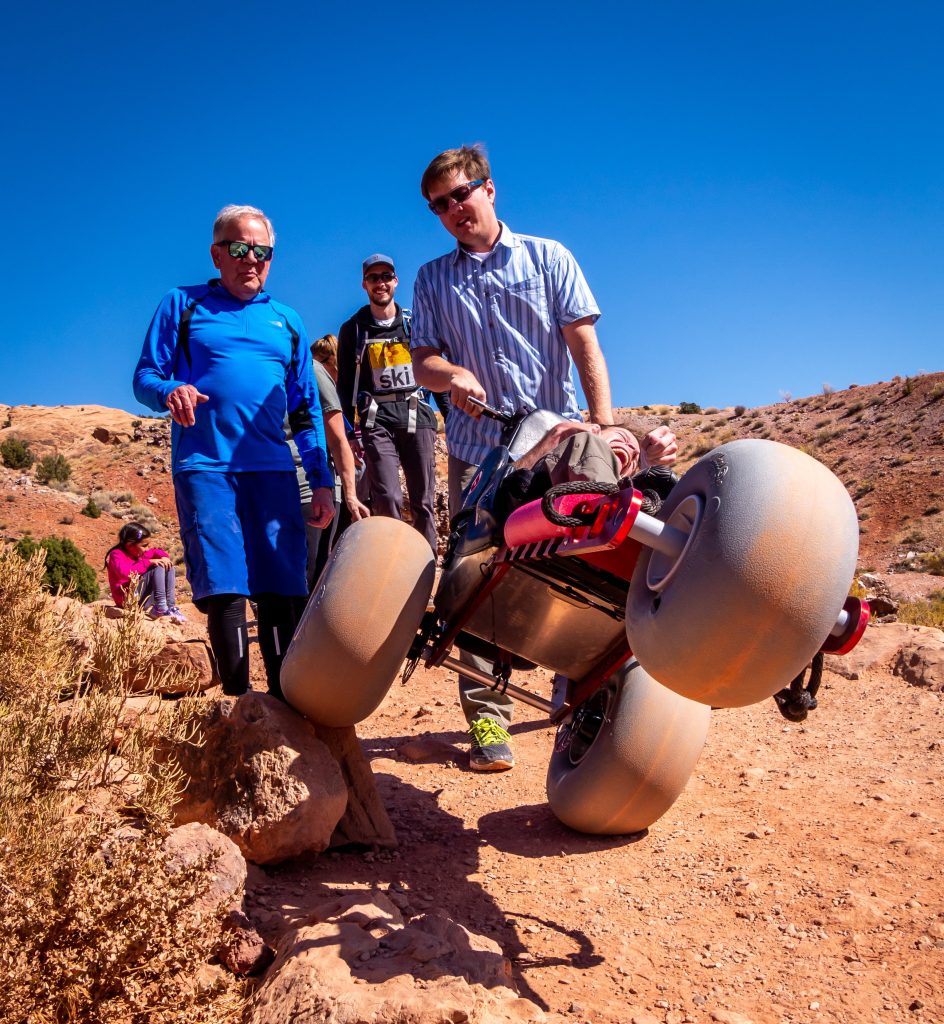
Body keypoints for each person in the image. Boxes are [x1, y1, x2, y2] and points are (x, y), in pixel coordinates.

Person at [411, 144, 677, 771]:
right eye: (438, 206)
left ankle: (586, 700)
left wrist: (608, 430)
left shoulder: (548, 257)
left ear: (490, 189)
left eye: (460, 195)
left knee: (590, 562)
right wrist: (451, 375)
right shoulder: (431, 280)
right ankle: (486, 722)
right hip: (481, 453)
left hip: (560, 445)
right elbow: (423, 360)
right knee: (477, 577)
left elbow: (586, 346)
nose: (452, 211)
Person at [133, 204, 334, 699]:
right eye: (240, 249)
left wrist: (322, 480)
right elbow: (145, 377)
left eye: (262, 251)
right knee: (224, 584)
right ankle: (241, 706)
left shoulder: (286, 321)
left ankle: (286, 704)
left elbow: (306, 409)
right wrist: (170, 391)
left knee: (282, 586)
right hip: (207, 466)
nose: (251, 260)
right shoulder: (183, 304)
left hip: (273, 470)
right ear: (217, 254)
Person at [336, 254, 441, 552]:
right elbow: (345, 385)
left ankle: (427, 565)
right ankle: (392, 566)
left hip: (416, 417)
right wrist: (346, 434)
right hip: (375, 421)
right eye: (373, 278)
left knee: (423, 500)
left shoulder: (414, 325)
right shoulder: (354, 329)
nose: (380, 283)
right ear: (364, 284)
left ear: (395, 280)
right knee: (388, 498)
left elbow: (434, 368)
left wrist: (452, 416)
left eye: (385, 276)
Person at [289, 334, 370, 590]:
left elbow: (340, 439)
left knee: (311, 569)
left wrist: (349, 494)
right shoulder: (313, 372)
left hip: (312, 485)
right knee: (313, 570)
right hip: (313, 487)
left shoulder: (306, 372)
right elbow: (340, 440)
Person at [105, 522, 186, 623]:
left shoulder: (140, 553)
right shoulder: (116, 554)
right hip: (126, 599)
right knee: (158, 567)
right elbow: (125, 573)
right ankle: (161, 606)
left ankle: (170, 606)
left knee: (167, 565)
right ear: (130, 545)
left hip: (139, 598)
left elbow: (155, 551)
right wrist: (149, 562)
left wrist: (164, 557)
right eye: (144, 545)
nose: (147, 549)